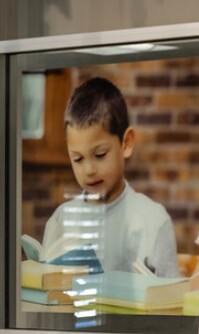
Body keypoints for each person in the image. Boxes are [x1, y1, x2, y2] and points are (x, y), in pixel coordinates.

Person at [41, 77, 179, 277]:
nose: (89, 170)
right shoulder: (60, 221)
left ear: (126, 143)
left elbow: (171, 300)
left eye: (100, 155)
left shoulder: (153, 220)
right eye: (78, 159)